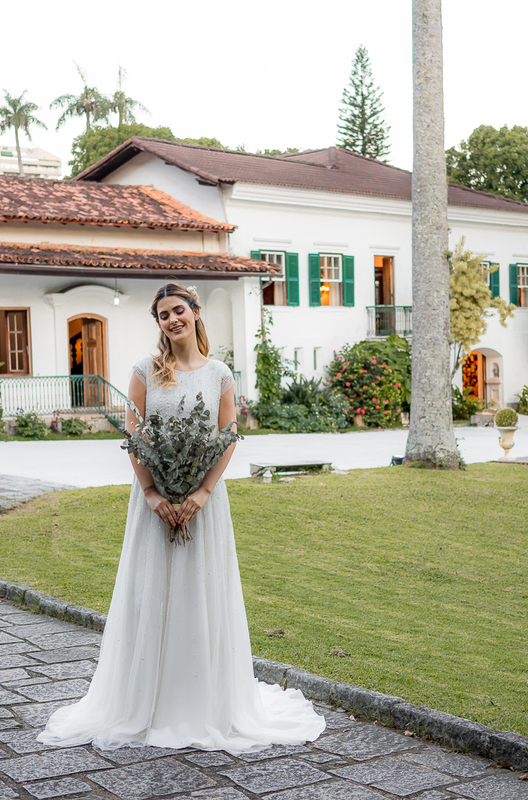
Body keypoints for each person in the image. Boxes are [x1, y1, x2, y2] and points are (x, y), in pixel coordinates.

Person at [37, 282, 326, 753]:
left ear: (195, 312)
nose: (172, 320)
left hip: (204, 505)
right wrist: (152, 492)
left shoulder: (219, 374)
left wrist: (202, 492)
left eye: (179, 310)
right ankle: (147, 703)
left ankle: (205, 703)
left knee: (201, 594)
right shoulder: (144, 371)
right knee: (153, 596)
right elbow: (134, 435)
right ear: (159, 324)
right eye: (163, 315)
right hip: (154, 505)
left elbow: (228, 436)